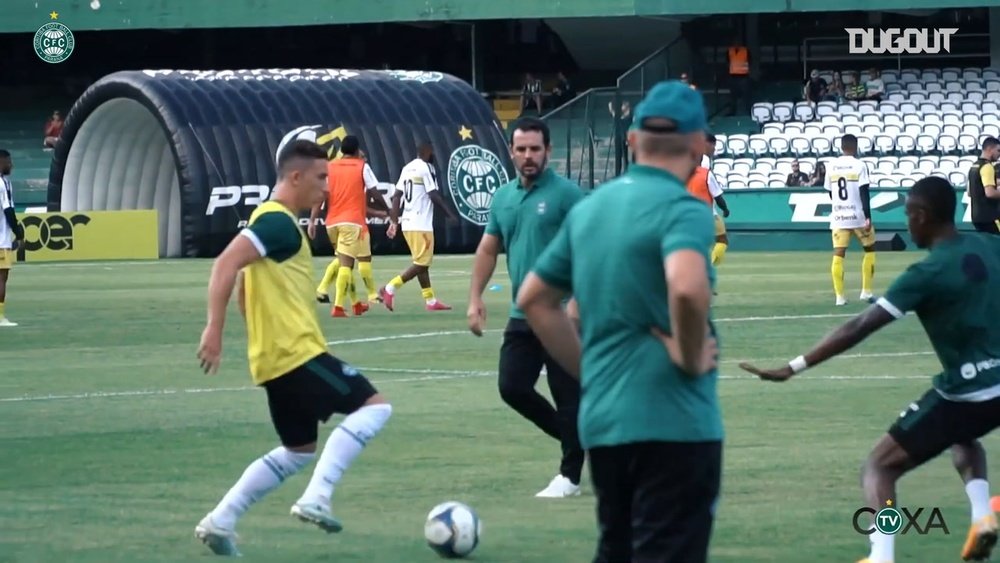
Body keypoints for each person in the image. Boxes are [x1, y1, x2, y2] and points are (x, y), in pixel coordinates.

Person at [740, 176, 1000, 563]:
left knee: (879, 466)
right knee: (963, 436)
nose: (907, 224)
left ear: (922, 216)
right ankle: (982, 517)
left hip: (968, 391)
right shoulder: (992, 244)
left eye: (909, 215)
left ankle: (882, 555)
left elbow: (859, 326)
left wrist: (793, 367)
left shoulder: (925, 274)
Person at [516, 81, 723, 562]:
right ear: (698, 142)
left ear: (632, 140)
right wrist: (689, 355)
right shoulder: (682, 209)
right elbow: (688, 286)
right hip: (675, 423)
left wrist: (593, 372)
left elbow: (536, 299)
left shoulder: (590, 209)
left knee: (617, 550)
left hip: (606, 425)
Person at [194, 140, 393, 556]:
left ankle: (221, 520)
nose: (326, 187)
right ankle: (316, 497)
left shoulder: (274, 225)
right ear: (296, 177)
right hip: (297, 355)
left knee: (298, 451)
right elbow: (225, 264)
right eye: (321, 178)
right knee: (375, 407)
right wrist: (214, 330)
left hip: (273, 361)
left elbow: (244, 290)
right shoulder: (278, 222)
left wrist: (259, 339)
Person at [467, 116, 586, 498]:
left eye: (535, 149)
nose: (528, 156)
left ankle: (569, 476)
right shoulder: (503, 198)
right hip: (523, 315)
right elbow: (488, 248)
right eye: (521, 149)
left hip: (562, 315)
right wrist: (475, 298)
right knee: (512, 387)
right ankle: (581, 439)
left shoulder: (568, 196)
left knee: (567, 395)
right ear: (511, 152)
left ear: (548, 151)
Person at [309, 136, 388, 317]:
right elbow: (375, 192)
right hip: (352, 223)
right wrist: (388, 210)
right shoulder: (361, 167)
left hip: (332, 223)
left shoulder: (330, 167)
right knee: (346, 265)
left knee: (345, 261)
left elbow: (320, 195)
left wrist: (313, 220)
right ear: (356, 150)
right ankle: (337, 306)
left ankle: (355, 303)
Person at [378, 142, 457, 312]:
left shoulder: (407, 168)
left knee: (421, 263)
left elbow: (397, 196)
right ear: (428, 152)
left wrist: (394, 220)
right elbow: (433, 194)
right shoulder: (425, 168)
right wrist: (449, 214)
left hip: (408, 222)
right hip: (421, 224)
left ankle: (430, 301)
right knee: (422, 263)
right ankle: (390, 288)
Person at [825, 133, 876, 306]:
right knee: (869, 250)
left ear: (841, 147)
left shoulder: (831, 166)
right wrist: (868, 216)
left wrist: (840, 206)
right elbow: (864, 191)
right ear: (855, 147)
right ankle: (866, 291)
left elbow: (830, 192)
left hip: (839, 216)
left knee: (838, 254)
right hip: (858, 216)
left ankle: (840, 297)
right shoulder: (860, 165)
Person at [686, 133, 730, 268]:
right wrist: (725, 209)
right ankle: (707, 269)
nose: (714, 149)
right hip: (707, 213)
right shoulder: (705, 169)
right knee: (720, 241)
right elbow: (716, 194)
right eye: (713, 146)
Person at [0, 150, 23, 327]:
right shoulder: (2, 184)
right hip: (1, 241)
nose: (11, 165)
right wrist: (19, 233)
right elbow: (8, 210)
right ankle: (0, 317)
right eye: (8, 162)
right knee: (2, 278)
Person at [968, 137, 1000, 235]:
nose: (999, 154)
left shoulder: (974, 166)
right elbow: (990, 193)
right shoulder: (987, 166)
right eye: (998, 150)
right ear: (990, 149)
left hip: (977, 217)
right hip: (990, 217)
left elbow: (970, 192)